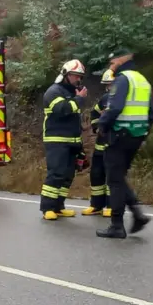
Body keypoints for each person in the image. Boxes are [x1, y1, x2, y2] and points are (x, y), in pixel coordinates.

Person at [94, 48, 153, 239]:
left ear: (120, 61)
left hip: (119, 135)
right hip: (136, 136)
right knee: (119, 177)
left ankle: (117, 225)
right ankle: (137, 214)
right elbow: (151, 113)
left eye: (112, 63)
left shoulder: (122, 80)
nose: (110, 66)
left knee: (114, 180)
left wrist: (102, 126)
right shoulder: (142, 80)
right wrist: (144, 133)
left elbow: (115, 107)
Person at [40, 59, 88, 220]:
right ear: (66, 74)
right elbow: (62, 110)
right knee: (56, 174)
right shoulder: (53, 91)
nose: (78, 79)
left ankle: (58, 207)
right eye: (75, 75)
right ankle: (47, 208)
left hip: (72, 141)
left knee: (68, 176)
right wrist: (79, 99)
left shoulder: (73, 92)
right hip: (56, 140)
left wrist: (79, 143)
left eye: (80, 76)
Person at [82, 69, 115, 217]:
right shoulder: (104, 99)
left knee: (112, 177)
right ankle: (96, 205)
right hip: (101, 145)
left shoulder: (124, 100)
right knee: (96, 175)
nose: (109, 88)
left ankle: (112, 206)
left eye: (111, 84)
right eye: (107, 85)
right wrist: (96, 126)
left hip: (115, 145)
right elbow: (94, 113)